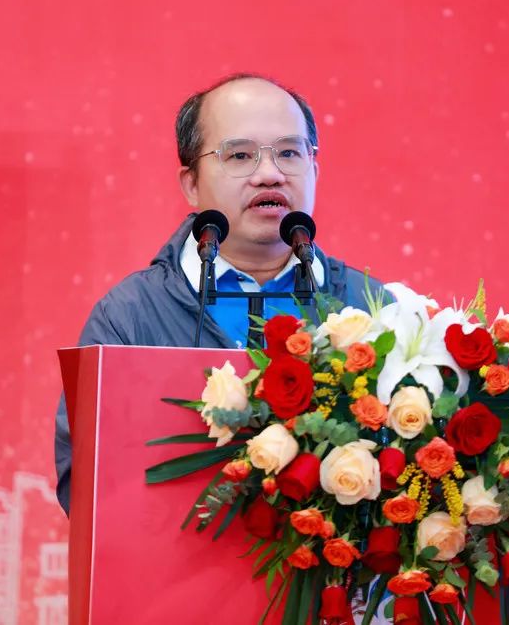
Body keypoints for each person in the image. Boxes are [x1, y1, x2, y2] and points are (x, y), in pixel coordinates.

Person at [54, 74, 385, 515]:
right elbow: (85, 483)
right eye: (240, 155)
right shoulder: (130, 317)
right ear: (190, 183)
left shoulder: (370, 309)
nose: (269, 174)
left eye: (289, 153)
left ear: (315, 170)